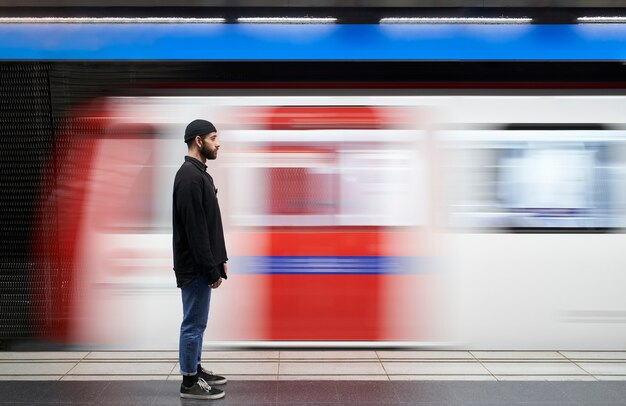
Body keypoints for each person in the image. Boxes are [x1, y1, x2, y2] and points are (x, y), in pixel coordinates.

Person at [173, 119, 228, 400]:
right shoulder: (190, 177)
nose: (218, 143)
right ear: (198, 141)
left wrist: (220, 259)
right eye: (213, 137)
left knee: (198, 322)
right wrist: (209, 269)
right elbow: (195, 231)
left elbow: (209, 223)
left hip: (201, 264)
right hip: (194, 267)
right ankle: (189, 381)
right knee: (193, 323)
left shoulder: (198, 174)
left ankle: (195, 367)